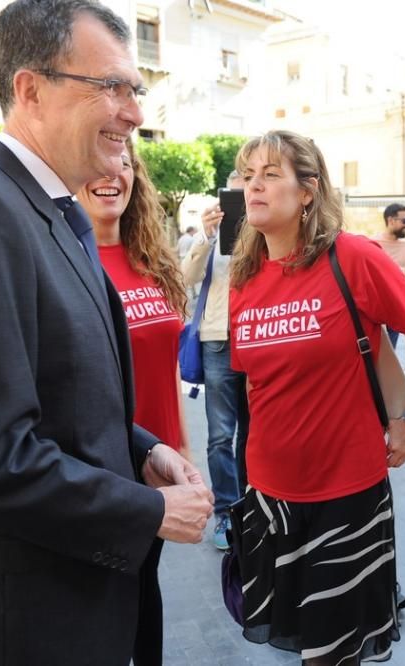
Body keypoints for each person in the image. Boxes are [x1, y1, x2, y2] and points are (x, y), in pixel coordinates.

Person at [0, 2, 213, 664]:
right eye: (113, 87)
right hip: (18, 623)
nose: (134, 113)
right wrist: (147, 512)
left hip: (66, 601)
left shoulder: (48, 212)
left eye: (137, 90)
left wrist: (145, 448)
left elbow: (61, 390)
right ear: (31, 89)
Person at [227, 130, 405, 663]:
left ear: (307, 192)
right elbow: (257, 385)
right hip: (271, 495)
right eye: (248, 175)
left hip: (345, 495)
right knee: (299, 640)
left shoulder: (352, 257)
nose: (254, 186)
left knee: (332, 649)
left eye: (271, 175)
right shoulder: (244, 277)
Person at [77, 138, 189, 665]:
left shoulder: (151, 260)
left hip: (158, 466)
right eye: (98, 163)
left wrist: (182, 451)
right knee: (103, 602)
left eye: (124, 164)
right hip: (100, 469)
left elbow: (167, 366)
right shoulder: (64, 261)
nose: (112, 173)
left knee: (146, 589)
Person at [183, 169, 247, 550]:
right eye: (234, 197)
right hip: (218, 339)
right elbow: (186, 277)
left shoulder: (271, 231)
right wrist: (206, 235)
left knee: (255, 431)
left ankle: (253, 505)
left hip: (257, 339)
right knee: (221, 434)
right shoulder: (211, 236)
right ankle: (226, 511)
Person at [374, 203, 405, 348]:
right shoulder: (372, 243)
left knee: (390, 354)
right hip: (373, 312)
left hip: (394, 310)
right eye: (404, 221)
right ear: (391, 220)